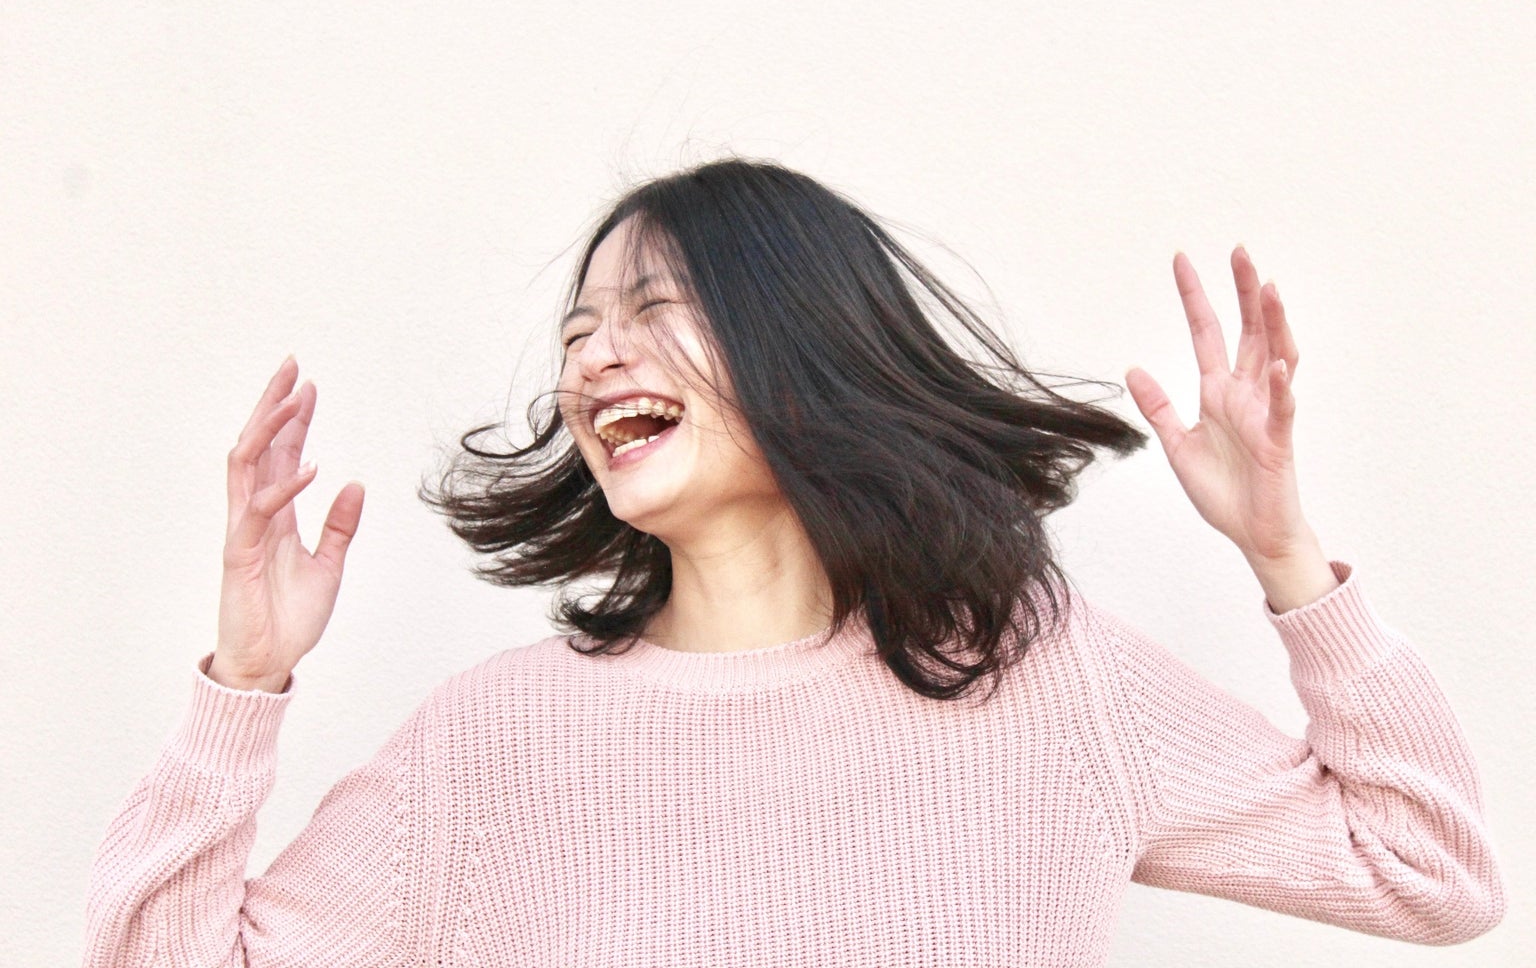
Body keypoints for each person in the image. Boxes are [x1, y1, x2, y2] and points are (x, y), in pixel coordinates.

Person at [83, 159, 1504, 966]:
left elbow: (1431, 869)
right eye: (579, 332)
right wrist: (244, 686)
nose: (594, 357)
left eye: (652, 309)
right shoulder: (489, 747)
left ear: (804, 349)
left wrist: (1289, 559)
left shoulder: (1038, 679)